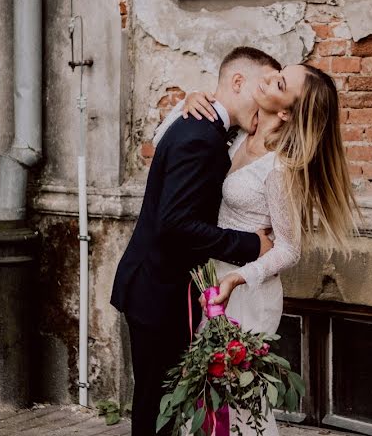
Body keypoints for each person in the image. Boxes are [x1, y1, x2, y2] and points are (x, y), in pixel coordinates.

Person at [157, 62, 359, 436]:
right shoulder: (237, 137)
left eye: (279, 82)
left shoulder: (281, 168)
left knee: (241, 406)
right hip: (214, 284)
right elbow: (164, 142)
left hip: (248, 292)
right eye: (277, 72)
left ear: (285, 111)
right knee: (204, 400)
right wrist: (191, 100)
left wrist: (239, 277)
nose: (266, 77)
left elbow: (289, 249)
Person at [110, 47, 281, 436]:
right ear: (238, 82)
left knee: (165, 402)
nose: (268, 98)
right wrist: (252, 246)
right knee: (158, 406)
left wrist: (191, 96)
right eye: (263, 86)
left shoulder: (207, 128)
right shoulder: (201, 136)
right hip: (158, 291)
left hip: (160, 287)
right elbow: (176, 225)